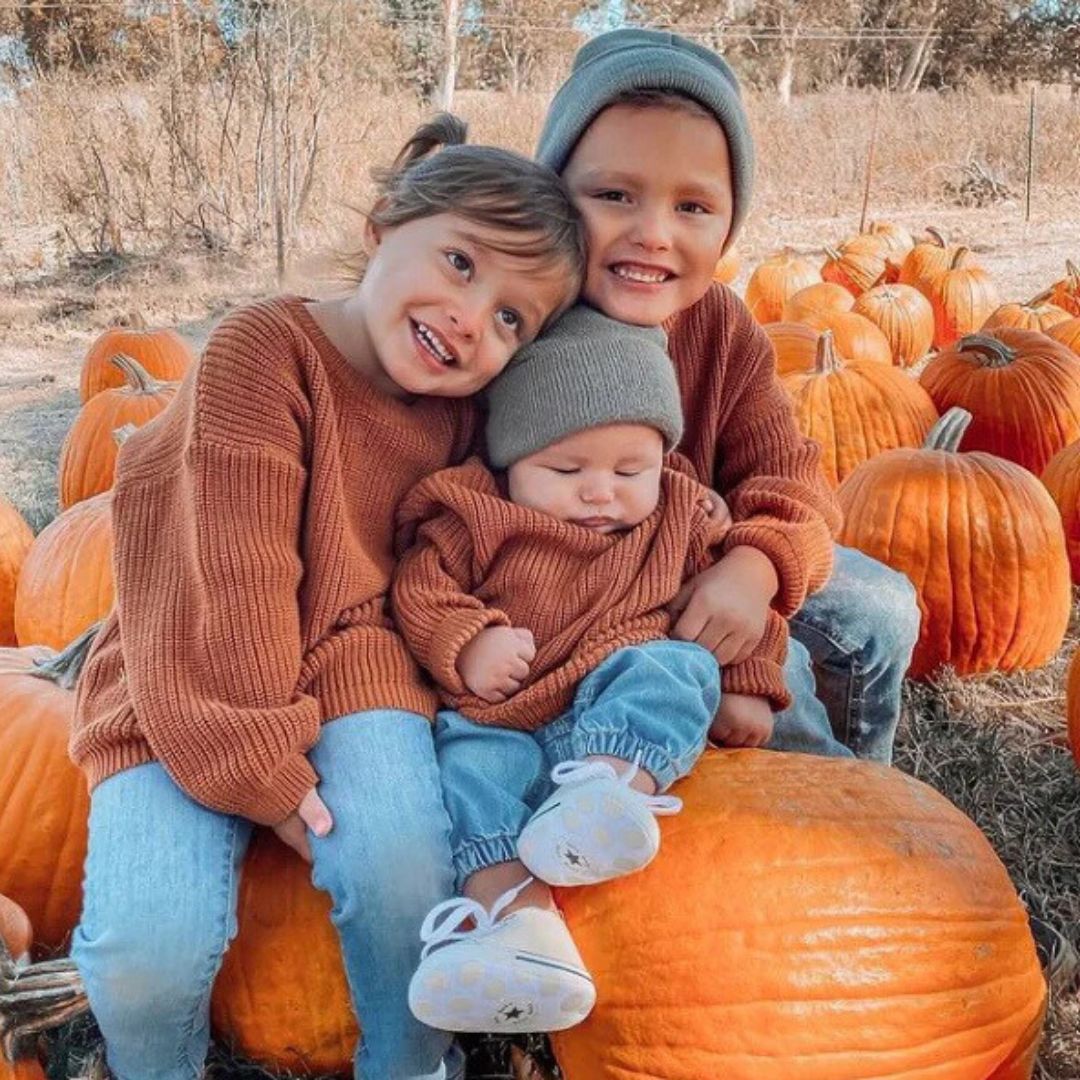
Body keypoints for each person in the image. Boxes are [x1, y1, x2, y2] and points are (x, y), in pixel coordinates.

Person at [66, 114, 585, 1080]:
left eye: (515, 317)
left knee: (399, 870)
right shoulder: (263, 350)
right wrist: (267, 777)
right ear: (384, 226)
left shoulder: (466, 409)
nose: (474, 319)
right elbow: (232, 578)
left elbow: (461, 551)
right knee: (147, 949)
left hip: (357, 654)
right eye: (463, 264)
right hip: (184, 662)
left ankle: (413, 1061)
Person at [394, 305, 786, 1034]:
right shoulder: (475, 514)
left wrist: (751, 680)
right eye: (565, 469)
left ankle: (609, 794)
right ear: (511, 459)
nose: (600, 491)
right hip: (502, 719)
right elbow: (420, 589)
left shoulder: (680, 512)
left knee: (673, 664)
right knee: (462, 769)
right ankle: (516, 924)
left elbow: (739, 611)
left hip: (612, 710)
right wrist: (467, 641)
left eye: (628, 469)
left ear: (661, 460)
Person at [534, 27, 921, 763]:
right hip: (585, 582)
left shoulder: (720, 326)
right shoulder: (520, 321)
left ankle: (869, 788)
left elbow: (794, 480)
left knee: (881, 608)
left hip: (716, 547)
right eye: (614, 195)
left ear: (728, 225)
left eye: (693, 208)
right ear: (554, 196)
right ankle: (804, 789)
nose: (653, 233)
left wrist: (756, 568)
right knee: (785, 682)